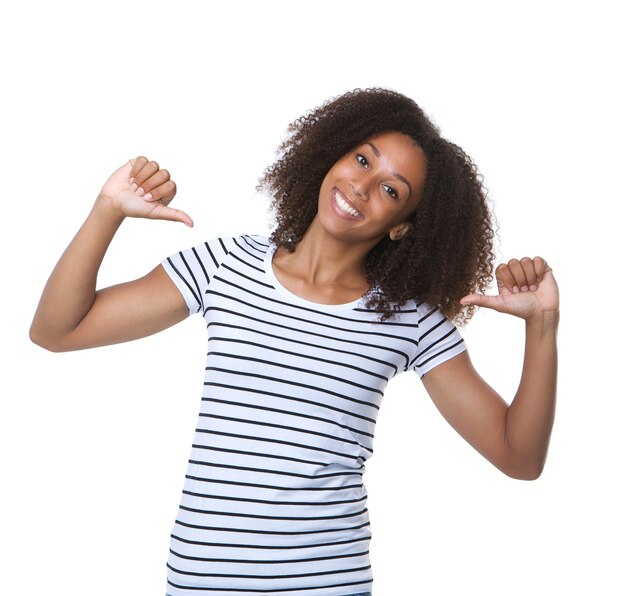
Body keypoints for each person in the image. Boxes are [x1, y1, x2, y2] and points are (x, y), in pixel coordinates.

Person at [30, 88, 559, 596]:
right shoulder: (225, 265)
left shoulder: (407, 319)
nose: (362, 186)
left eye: (392, 190)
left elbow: (519, 457)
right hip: (198, 584)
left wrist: (541, 328)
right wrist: (107, 210)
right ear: (332, 156)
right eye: (361, 160)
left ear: (402, 227)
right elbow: (56, 331)